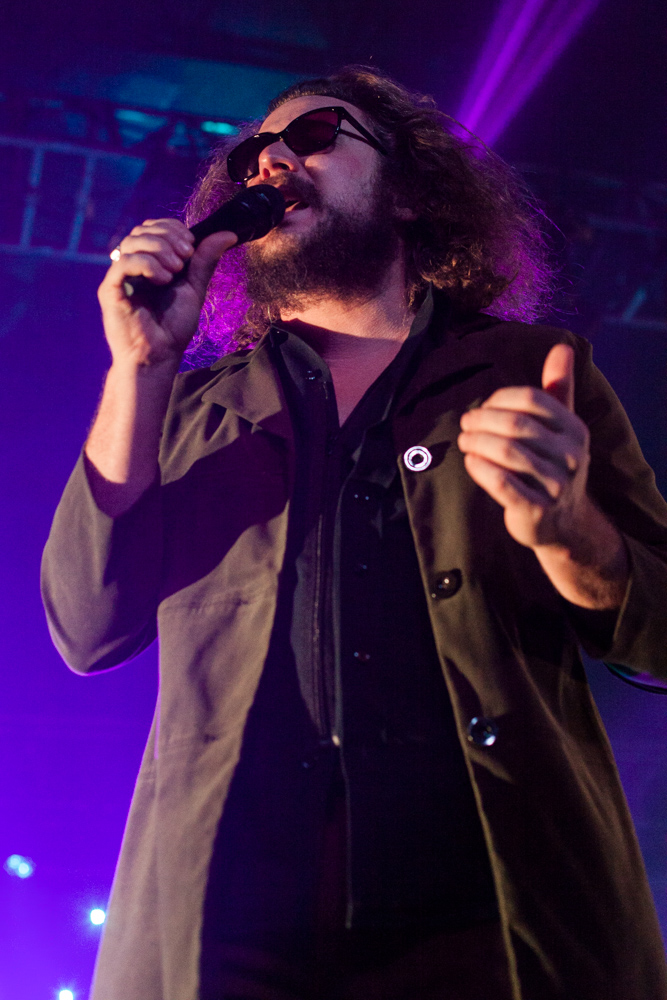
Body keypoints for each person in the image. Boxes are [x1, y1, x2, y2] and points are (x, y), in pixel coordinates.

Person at [41, 67, 667, 1000]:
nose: (272, 162)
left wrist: (571, 532)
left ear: (408, 192)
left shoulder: (530, 371)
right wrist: (139, 369)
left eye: (317, 136)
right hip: (229, 917)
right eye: (253, 155)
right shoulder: (189, 408)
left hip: (485, 912)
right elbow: (85, 627)